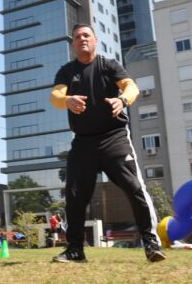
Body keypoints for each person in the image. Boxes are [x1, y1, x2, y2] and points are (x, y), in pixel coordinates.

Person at [50, 24, 165, 264]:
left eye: (86, 35)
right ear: (73, 44)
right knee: (74, 195)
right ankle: (74, 251)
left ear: (95, 41)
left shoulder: (109, 65)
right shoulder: (66, 71)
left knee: (134, 188)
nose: (82, 39)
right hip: (82, 142)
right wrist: (67, 100)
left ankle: (151, 243)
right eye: (77, 37)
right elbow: (55, 96)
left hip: (114, 138)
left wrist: (123, 100)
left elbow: (131, 87)